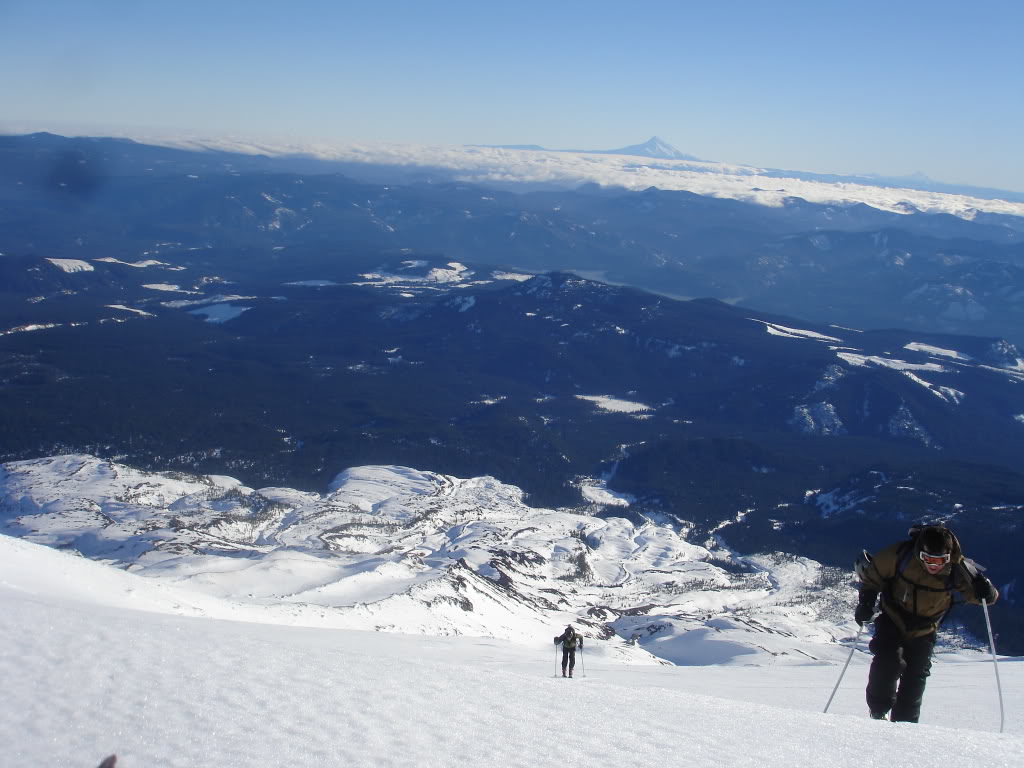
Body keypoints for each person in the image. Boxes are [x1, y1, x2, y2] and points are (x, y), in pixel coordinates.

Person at [854, 524, 998, 723]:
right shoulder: (900, 555)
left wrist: (985, 591)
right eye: (927, 559)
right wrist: (867, 601)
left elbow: (982, 596)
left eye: (940, 560)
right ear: (919, 552)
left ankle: (906, 725)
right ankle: (878, 711)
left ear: (948, 557)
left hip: (925, 628)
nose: (933, 565)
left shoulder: (957, 568)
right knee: (888, 661)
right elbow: (874, 575)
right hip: (894, 617)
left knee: (915, 677)